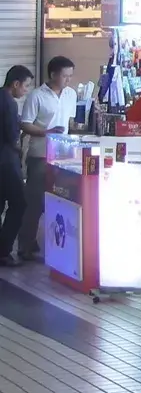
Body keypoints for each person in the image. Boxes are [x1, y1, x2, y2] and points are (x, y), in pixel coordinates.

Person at [18, 55, 75, 261]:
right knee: (34, 201)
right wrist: (47, 132)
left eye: (70, 76)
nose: (68, 80)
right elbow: (25, 124)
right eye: (65, 76)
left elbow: (70, 121)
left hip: (65, 155)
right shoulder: (37, 96)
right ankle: (25, 244)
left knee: (59, 199)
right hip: (40, 154)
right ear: (53, 74)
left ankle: (56, 243)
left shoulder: (71, 94)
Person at [0, 65, 31, 266]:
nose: (26, 90)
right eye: (26, 86)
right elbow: (12, 136)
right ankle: (3, 250)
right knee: (19, 203)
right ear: (16, 83)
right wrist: (21, 150)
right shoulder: (9, 103)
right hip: (6, 162)